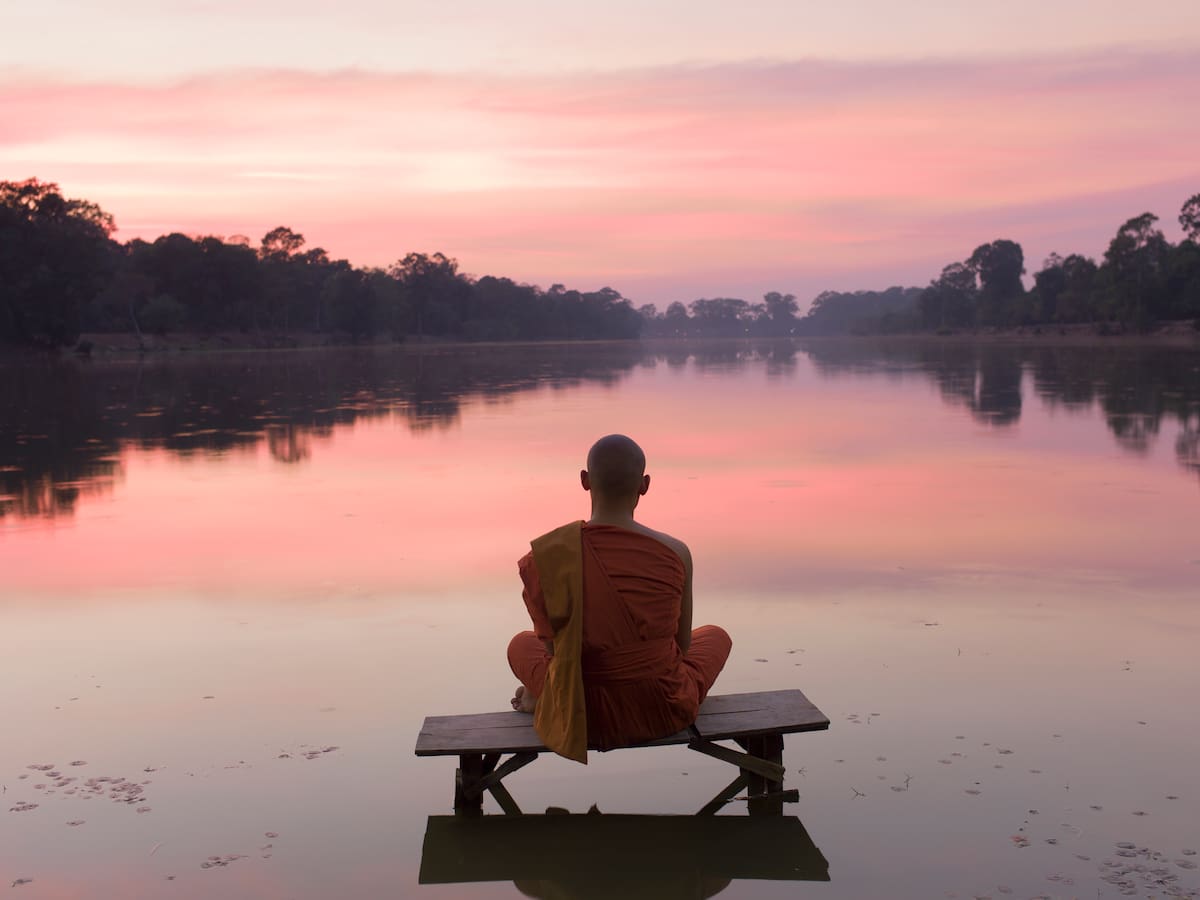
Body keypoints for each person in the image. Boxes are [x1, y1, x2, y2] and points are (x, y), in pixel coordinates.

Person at [507, 434, 732, 762]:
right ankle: (545, 695)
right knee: (715, 637)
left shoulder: (548, 557)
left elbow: (556, 653)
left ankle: (539, 698)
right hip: (663, 708)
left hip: (581, 711)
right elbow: (682, 647)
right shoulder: (675, 552)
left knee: (520, 645)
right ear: (645, 485)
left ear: (585, 480)